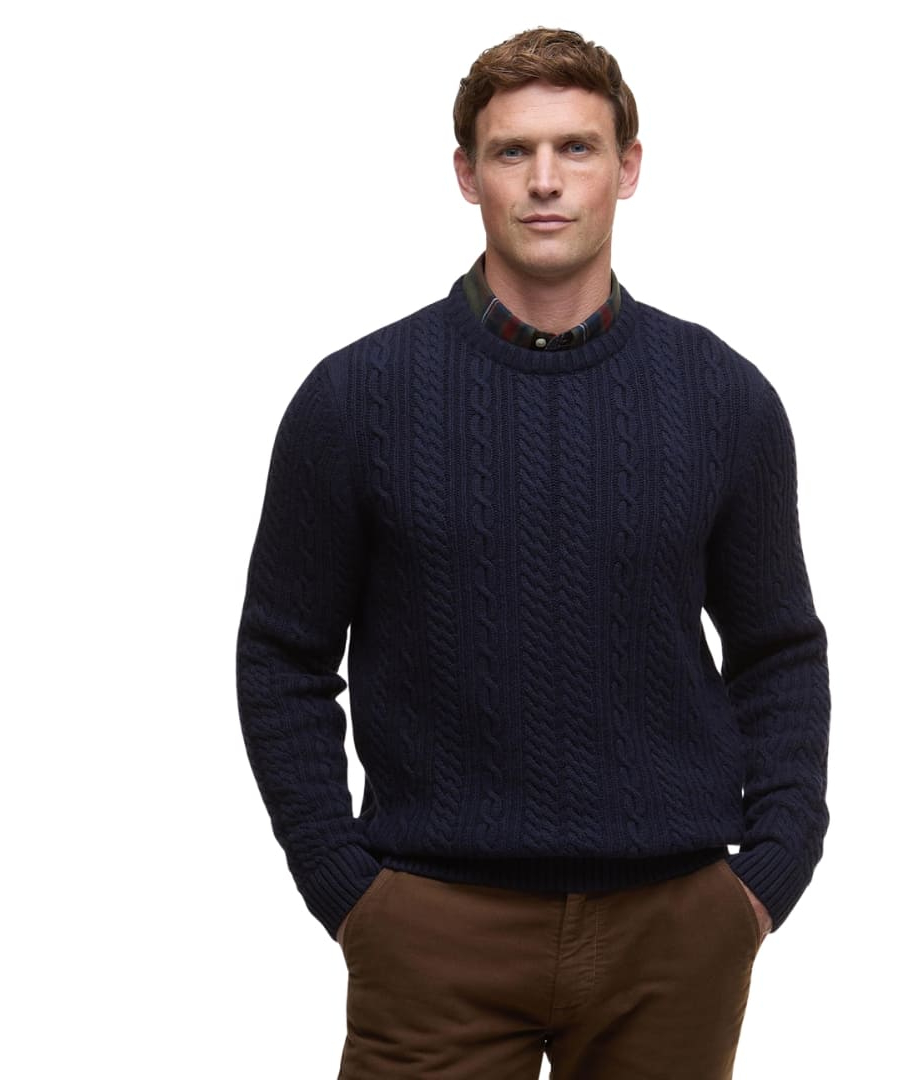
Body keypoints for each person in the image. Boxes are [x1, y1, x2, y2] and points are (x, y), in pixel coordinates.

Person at [236, 26, 830, 1080]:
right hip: (433, 926)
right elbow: (283, 654)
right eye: (513, 151)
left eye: (577, 148)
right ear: (467, 175)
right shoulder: (356, 400)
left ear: (628, 168)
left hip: (673, 930)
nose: (545, 181)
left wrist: (767, 875)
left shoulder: (724, 398)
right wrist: (345, 885)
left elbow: (778, 648)